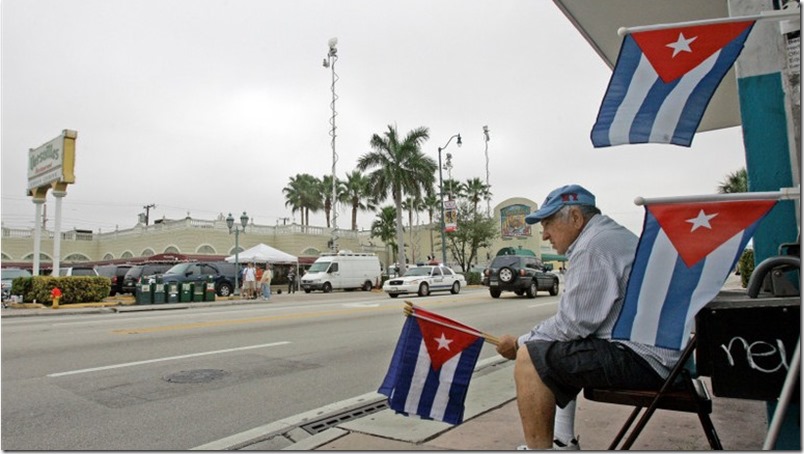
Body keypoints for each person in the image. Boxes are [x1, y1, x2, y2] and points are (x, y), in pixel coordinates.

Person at [495, 184, 681, 450]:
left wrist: (519, 344)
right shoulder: (607, 235)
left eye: (548, 223)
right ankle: (562, 440)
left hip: (645, 358)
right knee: (554, 349)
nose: (545, 234)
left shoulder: (593, 247)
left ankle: (541, 449)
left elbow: (572, 324)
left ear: (575, 218)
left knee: (530, 358)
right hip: (661, 352)